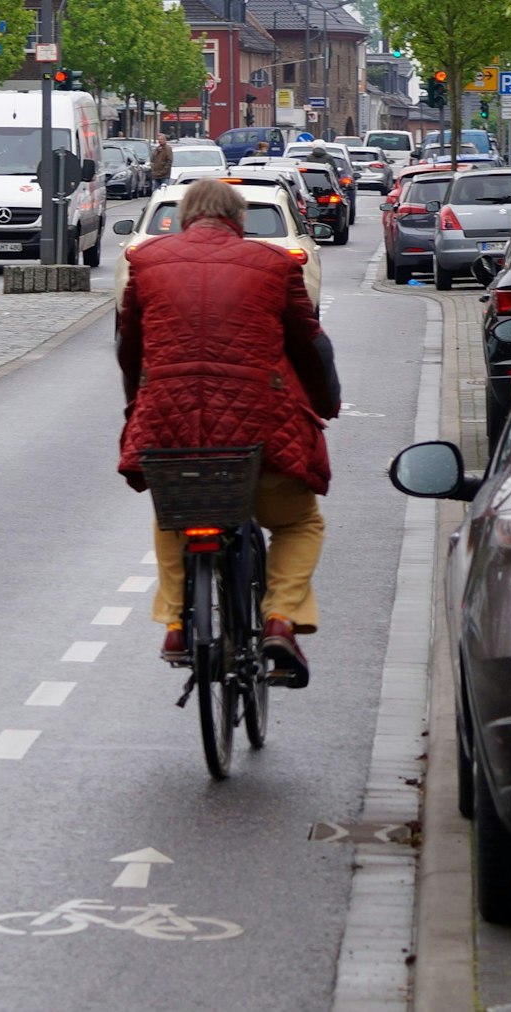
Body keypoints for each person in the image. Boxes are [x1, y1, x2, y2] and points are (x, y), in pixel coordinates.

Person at [115, 179, 342, 687]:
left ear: (183, 218)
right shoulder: (275, 264)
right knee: (298, 522)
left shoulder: (146, 263)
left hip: (171, 426)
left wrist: (138, 406)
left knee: (176, 511)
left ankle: (176, 625)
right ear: (237, 221)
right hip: (260, 430)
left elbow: (130, 347)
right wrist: (326, 403)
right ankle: (280, 618)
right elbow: (311, 346)